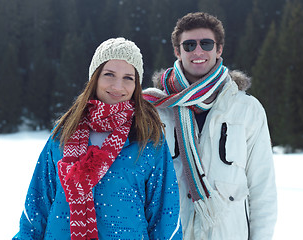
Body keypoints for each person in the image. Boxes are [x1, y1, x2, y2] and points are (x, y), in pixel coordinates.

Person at [13, 37, 182, 240]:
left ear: (136, 85)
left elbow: (165, 218)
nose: (118, 86)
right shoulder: (63, 135)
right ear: (95, 77)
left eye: (129, 78)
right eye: (109, 74)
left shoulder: (148, 139)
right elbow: (36, 209)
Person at [143, 12, 277, 239]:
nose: (198, 51)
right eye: (189, 45)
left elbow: (262, 188)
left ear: (219, 49)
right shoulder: (154, 108)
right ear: (177, 51)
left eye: (206, 43)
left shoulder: (246, 108)